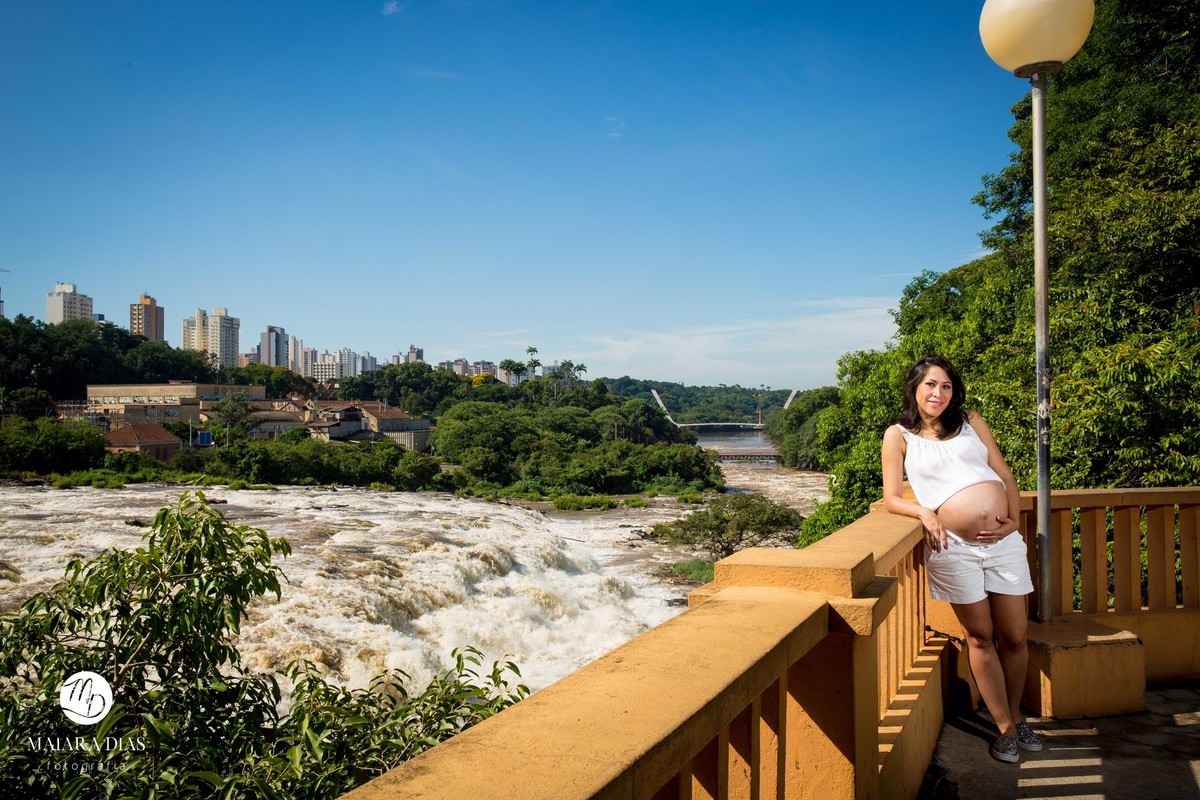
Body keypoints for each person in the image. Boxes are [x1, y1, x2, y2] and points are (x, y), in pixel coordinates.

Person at [880, 355, 1041, 764]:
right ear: (914, 388)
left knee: (1016, 636)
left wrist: (1012, 522)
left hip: (1003, 542)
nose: (938, 394)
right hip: (954, 548)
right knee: (981, 636)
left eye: (946, 386)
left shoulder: (970, 420)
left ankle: (1018, 716)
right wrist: (924, 512)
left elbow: (1005, 476)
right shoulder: (899, 435)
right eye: (931, 385)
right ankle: (1004, 727)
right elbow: (892, 498)